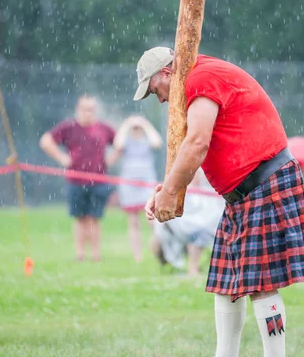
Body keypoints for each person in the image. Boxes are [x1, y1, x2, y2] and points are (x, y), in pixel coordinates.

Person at [134, 46, 304, 357]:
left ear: (165, 73)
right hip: (242, 191)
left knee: (261, 281)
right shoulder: (198, 77)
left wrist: (169, 193)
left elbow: (196, 144)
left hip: (264, 180)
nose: (158, 99)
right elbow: (195, 150)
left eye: (153, 90)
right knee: (227, 281)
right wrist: (169, 188)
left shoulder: (201, 78)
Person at [39, 95, 115, 262]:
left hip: (99, 181)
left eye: (91, 109)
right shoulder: (68, 127)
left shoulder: (104, 128)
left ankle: (96, 255)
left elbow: (120, 143)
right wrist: (62, 159)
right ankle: (80, 254)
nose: (88, 113)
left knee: (94, 219)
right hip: (75, 181)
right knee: (80, 218)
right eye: (84, 109)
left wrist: (110, 159)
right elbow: (46, 141)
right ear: (78, 109)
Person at [110, 115, 162, 262]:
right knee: (133, 222)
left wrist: (145, 124)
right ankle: (137, 255)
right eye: (135, 128)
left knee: (153, 220)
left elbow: (157, 142)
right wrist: (127, 124)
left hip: (146, 184)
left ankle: (158, 249)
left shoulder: (147, 141)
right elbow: (117, 144)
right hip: (129, 185)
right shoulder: (126, 142)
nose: (136, 129)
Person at [153, 170, 223, 276]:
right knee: (158, 235)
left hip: (202, 223)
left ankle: (193, 269)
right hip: (182, 225)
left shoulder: (205, 192)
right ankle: (177, 266)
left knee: (197, 234)